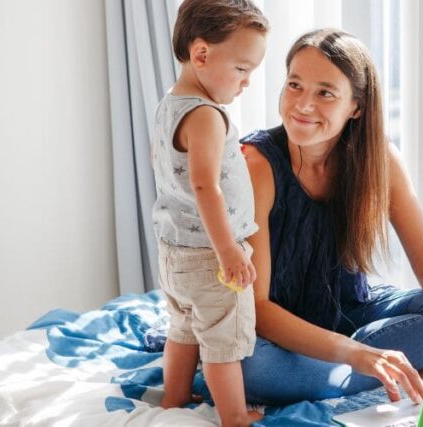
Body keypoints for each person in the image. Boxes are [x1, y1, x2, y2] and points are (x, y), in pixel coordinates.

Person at [240, 28, 423, 406]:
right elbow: (257, 309)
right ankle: (367, 367)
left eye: (325, 92)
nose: (303, 104)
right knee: (255, 369)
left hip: (347, 313)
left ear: (356, 106)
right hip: (277, 335)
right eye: (294, 85)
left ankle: (348, 370)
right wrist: (357, 354)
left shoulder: (379, 159)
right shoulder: (257, 164)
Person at [150, 0, 267, 425]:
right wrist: (229, 252)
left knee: (182, 330)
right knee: (223, 340)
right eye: (241, 69)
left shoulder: (171, 104)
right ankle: (234, 417)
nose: (247, 82)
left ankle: (174, 400)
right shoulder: (205, 115)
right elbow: (205, 185)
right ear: (201, 54)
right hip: (209, 254)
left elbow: (158, 160)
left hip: (174, 250)